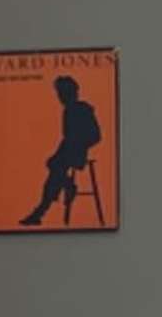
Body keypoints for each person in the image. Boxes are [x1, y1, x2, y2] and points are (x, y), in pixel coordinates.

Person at [20, 61, 103, 227]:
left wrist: (79, 145)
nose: (59, 97)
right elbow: (67, 138)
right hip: (67, 151)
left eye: (61, 93)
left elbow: (96, 136)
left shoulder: (82, 110)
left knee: (54, 170)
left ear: (69, 93)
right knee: (54, 171)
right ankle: (64, 189)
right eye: (59, 93)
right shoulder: (69, 110)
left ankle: (41, 210)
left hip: (76, 153)